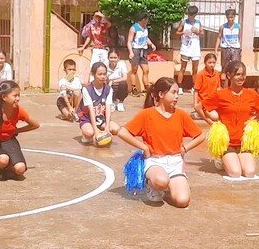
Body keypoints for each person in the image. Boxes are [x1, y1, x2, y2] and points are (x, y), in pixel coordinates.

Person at [116, 77, 205, 207]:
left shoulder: (181, 115)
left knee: (182, 201)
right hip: (154, 161)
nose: (176, 96)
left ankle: (168, 190)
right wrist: (143, 147)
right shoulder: (147, 114)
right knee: (161, 180)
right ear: (161, 94)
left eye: (177, 93)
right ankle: (152, 185)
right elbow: (122, 132)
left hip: (175, 162)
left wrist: (185, 148)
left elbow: (200, 135)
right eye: (173, 92)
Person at [202, 61, 259, 178]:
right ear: (229, 75)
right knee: (235, 173)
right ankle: (223, 159)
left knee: (249, 173)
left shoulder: (251, 94)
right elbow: (200, 107)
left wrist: (253, 121)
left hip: (243, 143)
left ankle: (236, 159)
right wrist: (214, 125)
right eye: (237, 74)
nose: (241, 78)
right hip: (227, 143)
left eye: (243, 74)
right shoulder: (220, 94)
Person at [78, 62, 120, 144]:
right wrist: (95, 131)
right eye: (100, 74)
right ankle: (87, 133)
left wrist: (107, 127)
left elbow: (108, 108)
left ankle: (101, 130)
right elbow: (90, 110)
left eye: (104, 74)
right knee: (90, 133)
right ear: (93, 74)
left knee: (116, 129)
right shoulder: (87, 89)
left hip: (100, 118)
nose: (103, 76)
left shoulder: (108, 89)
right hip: (88, 118)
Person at [127, 12, 157, 97]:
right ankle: (134, 88)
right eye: (147, 19)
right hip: (136, 49)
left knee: (146, 70)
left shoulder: (145, 27)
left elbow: (146, 38)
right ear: (143, 19)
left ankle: (146, 87)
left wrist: (151, 44)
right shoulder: (134, 28)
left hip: (143, 50)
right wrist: (131, 52)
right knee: (134, 70)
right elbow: (129, 41)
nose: (148, 21)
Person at [176, 5, 203, 95]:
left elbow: (202, 33)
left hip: (195, 48)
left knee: (195, 69)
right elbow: (177, 32)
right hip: (186, 47)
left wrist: (197, 32)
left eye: (192, 15)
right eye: (189, 15)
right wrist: (183, 32)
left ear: (195, 15)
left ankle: (194, 87)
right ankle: (180, 87)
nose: (190, 16)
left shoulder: (198, 23)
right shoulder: (184, 22)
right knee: (183, 68)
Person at [192, 53, 221, 123]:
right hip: (203, 101)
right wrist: (195, 104)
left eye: (214, 63)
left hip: (213, 101)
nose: (212, 65)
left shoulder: (217, 73)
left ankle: (200, 113)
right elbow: (196, 90)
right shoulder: (201, 74)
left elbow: (218, 88)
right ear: (205, 63)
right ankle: (199, 113)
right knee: (215, 117)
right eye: (209, 62)